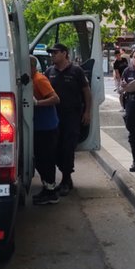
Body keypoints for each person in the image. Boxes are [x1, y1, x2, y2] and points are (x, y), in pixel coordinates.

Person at [45, 43, 92, 196]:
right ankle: (65, 178)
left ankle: (66, 179)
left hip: (72, 116)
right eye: (51, 53)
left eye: (55, 53)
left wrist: (87, 112)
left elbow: (87, 92)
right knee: (55, 148)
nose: (52, 55)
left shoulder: (76, 71)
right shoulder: (49, 72)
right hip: (54, 117)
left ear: (64, 53)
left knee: (67, 147)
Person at [29, 57, 61, 205]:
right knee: (40, 159)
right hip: (40, 126)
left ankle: (51, 192)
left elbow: (55, 99)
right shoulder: (32, 79)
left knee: (46, 159)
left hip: (47, 127)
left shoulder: (39, 79)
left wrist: (37, 103)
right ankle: (47, 188)